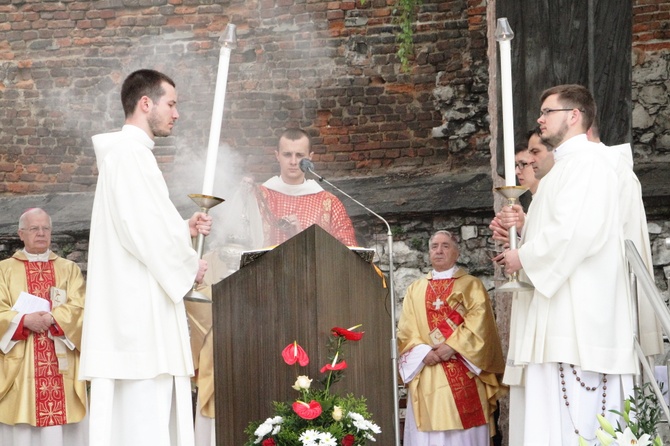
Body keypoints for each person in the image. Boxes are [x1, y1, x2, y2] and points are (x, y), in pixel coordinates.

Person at [79, 69, 212, 446]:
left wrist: (181, 229)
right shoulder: (128, 154)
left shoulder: (130, 155)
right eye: (171, 104)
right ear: (145, 103)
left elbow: (141, 223)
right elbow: (142, 230)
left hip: (137, 315)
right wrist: (190, 265)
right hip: (138, 323)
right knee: (142, 424)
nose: (176, 113)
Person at [500, 84, 637, 445]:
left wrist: (523, 256)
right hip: (560, 313)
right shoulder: (563, 168)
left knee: (577, 421)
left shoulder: (590, 162)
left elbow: (578, 232)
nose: (540, 120)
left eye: (548, 112)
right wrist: (524, 231)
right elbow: (560, 226)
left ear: (574, 116)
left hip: (579, 320)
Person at [397, 230, 505, 445]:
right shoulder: (415, 289)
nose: (439, 251)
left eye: (445, 246)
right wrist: (423, 352)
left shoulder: (471, 285)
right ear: (428, 253)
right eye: (434, 246)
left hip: (464, 371)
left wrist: (452, 346)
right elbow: (406, 328)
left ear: (456, 252)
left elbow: (480, 321)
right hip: (426, 372)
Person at [0, 208, 87, 446]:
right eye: (34, 228)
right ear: (21, 233)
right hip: (21, 361)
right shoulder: (4, 269)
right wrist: (23, 321)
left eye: (45, 228)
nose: (41, 233)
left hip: (60, 363)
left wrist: (53, 318)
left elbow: (80, 307)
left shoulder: (68, 269)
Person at [255, 128, 358, 247]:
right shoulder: (259, 197)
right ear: (277, 156)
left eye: (299, 155)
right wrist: (242, 196)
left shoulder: (329, 203)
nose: (293, 162)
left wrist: (302, 236)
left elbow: (348, 250)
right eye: (287, 154)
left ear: (310, 157)